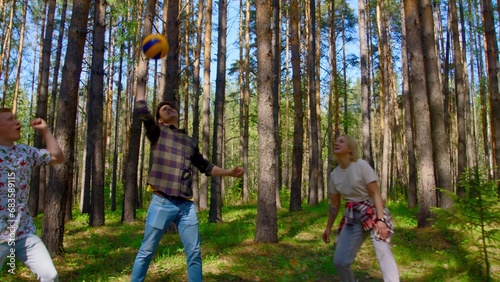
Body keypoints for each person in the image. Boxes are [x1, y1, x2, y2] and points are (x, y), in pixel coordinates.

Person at [131, 91, 243, 282]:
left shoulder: (190, 141)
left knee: (194, 253)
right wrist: (140, 96)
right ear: (161, 120)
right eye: (165, 109)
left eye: (171, 107)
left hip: (186, 206)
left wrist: (229, 172)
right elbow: (145, 115)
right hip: (161, 202)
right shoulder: (157, 132)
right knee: (147, 250)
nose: (170, 108)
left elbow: (205, 166)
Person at [322, 135, 399, 282]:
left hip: (374, 212)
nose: (336, 142)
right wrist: (328, 228)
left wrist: (381, 220)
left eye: (341, 141)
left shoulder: (361, 165)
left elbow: (375, 193)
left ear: (350, 148)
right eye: (336, 141)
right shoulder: (334, 175)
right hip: (353, 217)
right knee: (340, 261)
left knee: (382, 251)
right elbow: (334, 205)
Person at [0, 108, 64, 281]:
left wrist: (45, 130)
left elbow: (58, 157)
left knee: (50, 276)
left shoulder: (24, 152)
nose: (17, 122)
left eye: (16, 118)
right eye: (10, 119)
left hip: (23, 233)